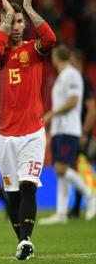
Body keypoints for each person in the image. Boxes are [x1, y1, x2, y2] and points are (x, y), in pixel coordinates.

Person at [0, 0, 56, 260]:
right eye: (10, 21)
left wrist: (27, 7)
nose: (15, 26)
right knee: (13, 193)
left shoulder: (34, 51)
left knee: (28, 186)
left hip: (32, 133)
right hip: (3, 135)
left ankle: (25, 241)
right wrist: (5, 17)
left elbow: (50, 39)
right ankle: (22, 242)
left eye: (18, 21)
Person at [40, 45, 96, 224]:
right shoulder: (62, 76)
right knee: (61, 172)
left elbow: (73, 101)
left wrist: (52, 114)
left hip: (69, 129)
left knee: (62, 169)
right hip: (59, 129)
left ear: (56, 58)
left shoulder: (72, 74)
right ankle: (62, 213)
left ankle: (91, 196)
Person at [67, 49, 96, 219]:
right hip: (74, 130)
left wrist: (85, 132)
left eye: (71, 62)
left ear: (77, 62)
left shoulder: (83, 81)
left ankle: (87, 200)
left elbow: (92, 109)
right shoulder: (74, 80)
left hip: (80, 131)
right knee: (75, 167)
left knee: (79, 166)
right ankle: (77, 207)